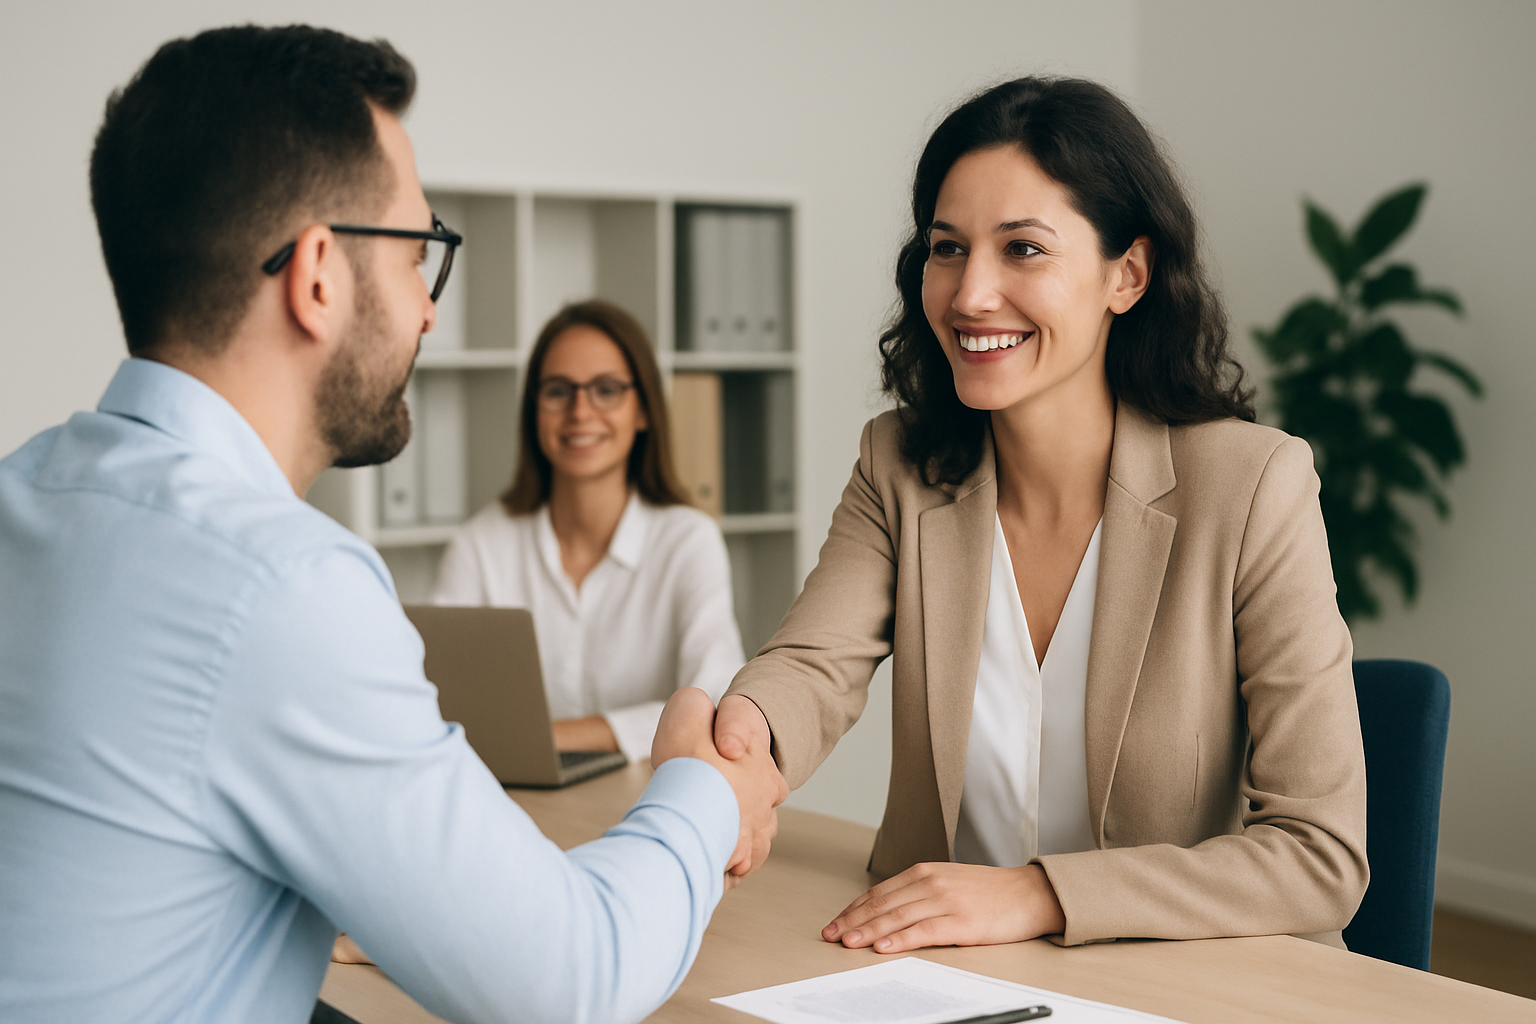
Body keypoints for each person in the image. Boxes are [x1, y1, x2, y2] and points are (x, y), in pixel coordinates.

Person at [0, 26, 783, 1024]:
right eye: (419, 255)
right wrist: (702, 788)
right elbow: (570, 980)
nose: (427, 312)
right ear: (319, 276)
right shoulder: (282, 587)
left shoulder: (22, 495)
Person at [712, 76, 1368, 953]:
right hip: (950, 976)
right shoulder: (899, 464)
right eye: (948, 248)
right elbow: (811, 665)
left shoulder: (1254, 487)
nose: (970, 294)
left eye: (1023, 248)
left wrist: (1039, 895)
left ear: (1127, 275)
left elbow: (1321, 855)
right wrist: (741, 742)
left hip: (1181, 982)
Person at [431, 300, 744, 762]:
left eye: (606, 390)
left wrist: (548, 737)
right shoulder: (480, 545)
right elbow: (438, 699)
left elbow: (714, 699)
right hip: (513, 795)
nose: (580, 411)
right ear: (534, 410)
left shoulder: (688, 541)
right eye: (558, 391)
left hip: (651, 793)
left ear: (643, 410)